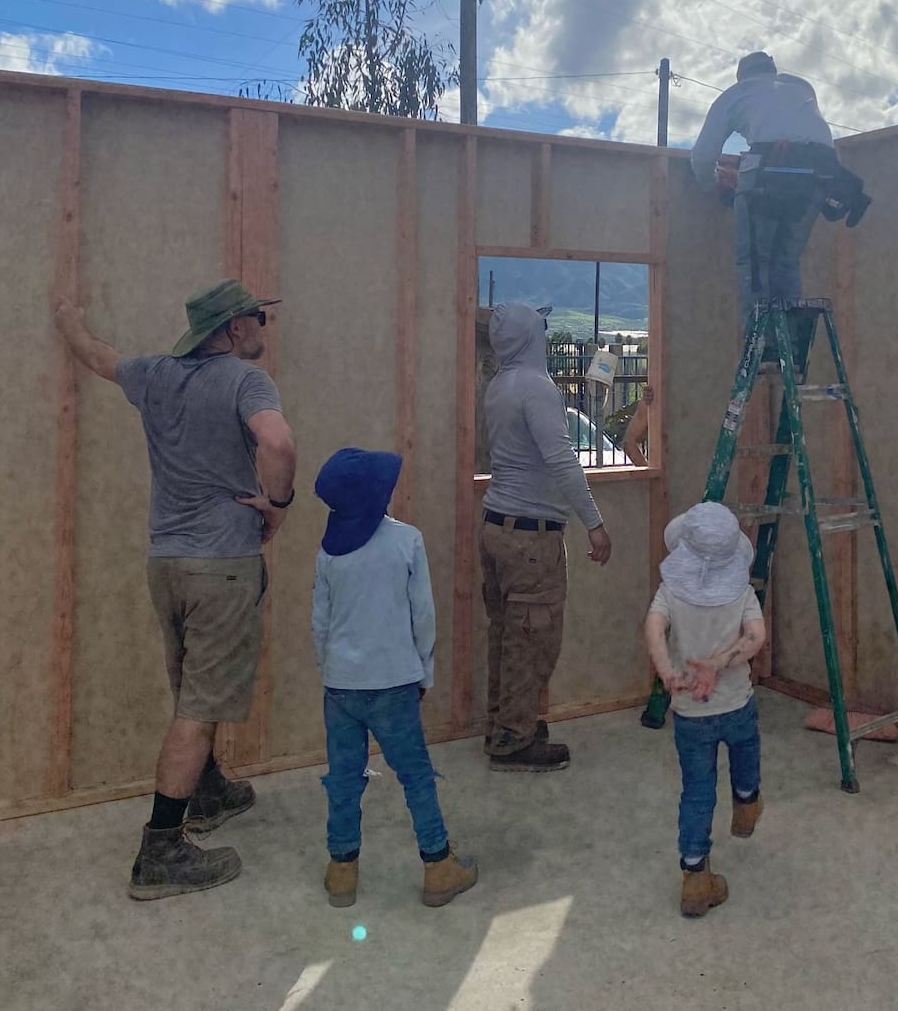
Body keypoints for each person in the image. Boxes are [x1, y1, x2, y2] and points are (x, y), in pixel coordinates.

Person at [54, 279, 297, 901]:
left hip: (167, 562)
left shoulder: (154, 374)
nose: (262, 332)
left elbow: (98, 355)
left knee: (194, 687)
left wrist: (69, 318)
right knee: (198, 706)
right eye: (257, 322)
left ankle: (209, 789)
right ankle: (160, 850)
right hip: (221, 563)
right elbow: (277, 442)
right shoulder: (246, 383)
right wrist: (278, 504)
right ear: (234, 328)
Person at [312, 448, 477, 910]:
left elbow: (320, 622)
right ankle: (438, 866)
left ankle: (342, 871)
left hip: (341, 685)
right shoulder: (407, 541)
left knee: (343, 778)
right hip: (394, 683)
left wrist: (330, 671)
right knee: (416, 775)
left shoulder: (329, 552)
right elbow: (422, 614)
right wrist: (423, 668)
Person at [482, 303, 613, 772]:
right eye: (541, 328)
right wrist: (594, 524)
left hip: (499, 527)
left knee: (507, 634)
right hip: (529, 539)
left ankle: (503, 727)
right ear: (528, 338)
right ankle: (515, 742)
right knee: (532, 639)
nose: (546, 333)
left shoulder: (500, 385)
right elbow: (561, 459)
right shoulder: (535, 387)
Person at [643, 502, 767, 918]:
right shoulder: (743, 593)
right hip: (736, 703)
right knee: (746, 755)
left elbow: (654, 627)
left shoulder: (670, 592)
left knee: (696, 790)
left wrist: (667, 672)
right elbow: (755, 636)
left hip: (690, 712)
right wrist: (720, 663)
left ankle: (695, 876)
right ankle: (747, 802)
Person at [690, 51, 867, 325]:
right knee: (786, 261)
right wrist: (746, 180)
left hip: (771, 175)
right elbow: (792, 149)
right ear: (772, 70)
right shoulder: (801, 87)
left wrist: (714, 185)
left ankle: (761, 347)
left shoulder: (737, 93)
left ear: (741, 76)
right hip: (820, 175)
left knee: (754, 264)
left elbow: (702, 157)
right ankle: (792, 346)